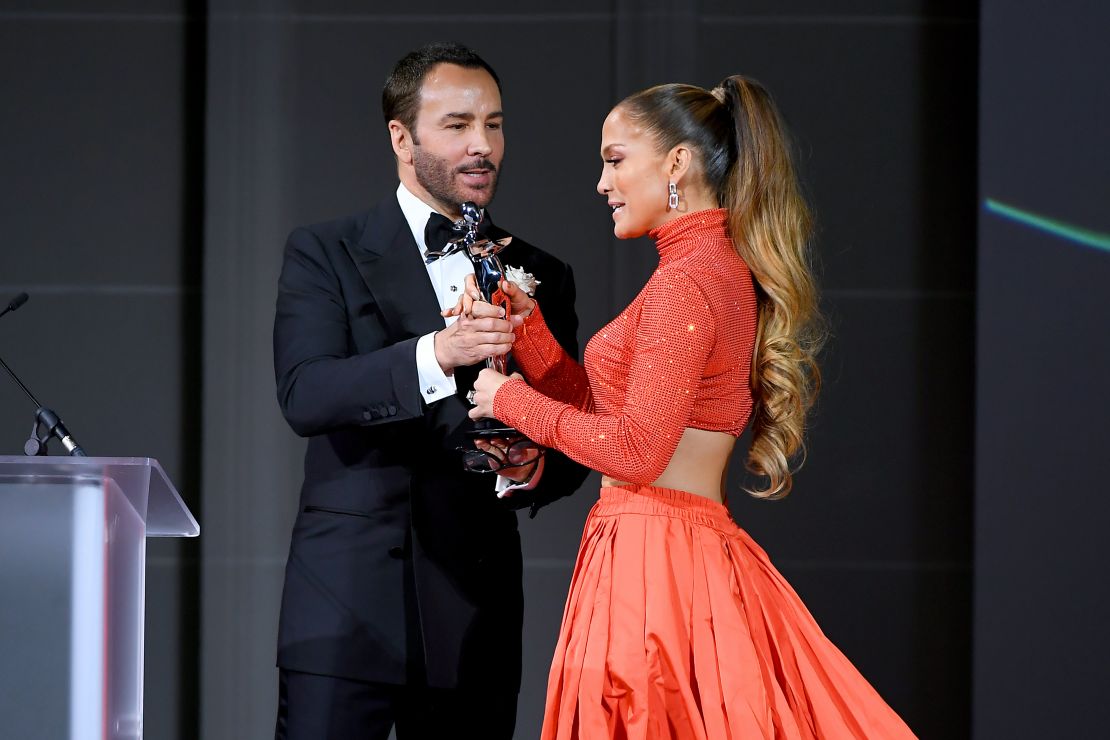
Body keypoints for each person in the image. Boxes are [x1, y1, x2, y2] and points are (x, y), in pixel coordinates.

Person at [463, 76, 917, 737]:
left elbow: (635, 453)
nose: (601, 182)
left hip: (655, 561)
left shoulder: (687, 281)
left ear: (677, 163)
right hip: (677, 553)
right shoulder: (712, 268)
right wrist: (528, 327)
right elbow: (612, 417)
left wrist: (506, 397)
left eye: (616, 160)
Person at [271, 43, 587, 739]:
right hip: (345, 608)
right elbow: (306, 392)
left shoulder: (541, 272)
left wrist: (533, 467)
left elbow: (575, 431)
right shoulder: (326, 250)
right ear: (401, 137)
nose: (483, 146)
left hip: (476, 610)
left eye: (495, 125)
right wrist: (436, 354)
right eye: (458, 125)